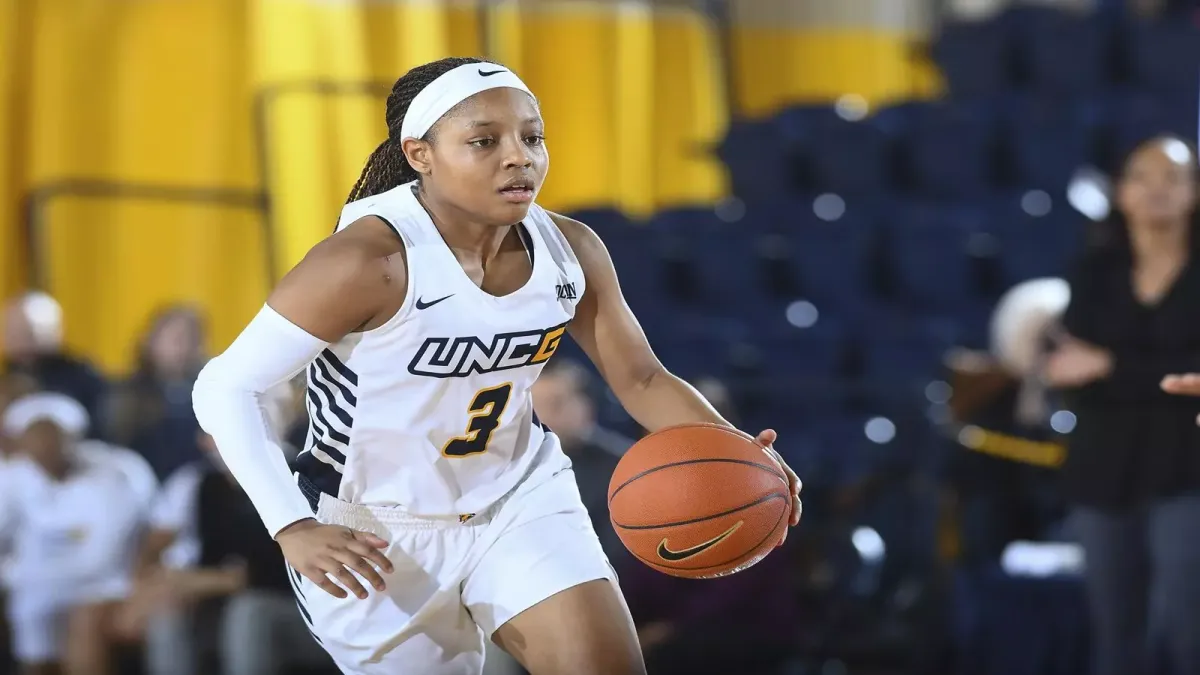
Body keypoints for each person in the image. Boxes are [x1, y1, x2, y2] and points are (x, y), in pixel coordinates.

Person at [192, 56, 802, 675]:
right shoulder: (367, 261)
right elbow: (224, 386)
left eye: (532, 137)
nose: (519, 157)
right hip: (373, 529)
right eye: (484, 141)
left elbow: (641, 379)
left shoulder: (573, 249)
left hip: (518, 498)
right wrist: (290, 524)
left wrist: (741, 457)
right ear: (420, 153)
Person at [1044, 135, 1200, 675]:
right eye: (1143, 176)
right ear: (1121, 192)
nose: (1157, 189)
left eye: (1172, 177)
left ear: (1194, 192)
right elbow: (1069, 368)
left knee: (1188, 630)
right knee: (1114, 639)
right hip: (1103, 467)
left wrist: (1111, 366)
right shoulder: (1093, 271)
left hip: (1189, 466)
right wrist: (1156, 370)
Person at [120, 429, 330, 675]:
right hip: (225, 602)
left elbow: (273, 575)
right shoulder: (205, 485)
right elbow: (179, 552)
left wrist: (204, 581)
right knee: (169, 611)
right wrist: (164, 587)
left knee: (249, 611)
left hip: (303, 609)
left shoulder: (298, 476)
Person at [0, 393, 148, 675]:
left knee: (84, 624)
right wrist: (15, 574)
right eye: (34, 437)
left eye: (51, 436)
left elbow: (107, 552)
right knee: (32, 623)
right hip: (33, 584)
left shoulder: (112, 472)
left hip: (102, 582)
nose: (43, 446)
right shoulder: (13, 477)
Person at [104, 305, 208, 480]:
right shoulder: (127, 394)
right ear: (152, 341)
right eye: (176, 339)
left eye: (191, 340)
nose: (182, 348)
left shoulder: (209, 392)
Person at [2, 292, 108, 438]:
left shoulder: (82, 377)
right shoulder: (5, 377)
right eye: (13, 329)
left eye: (30, 331)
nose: (22, 339)